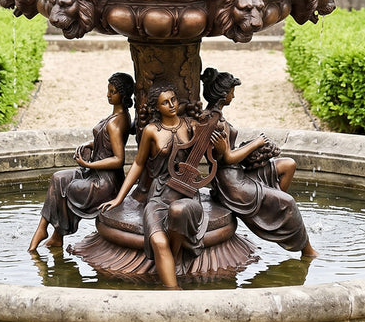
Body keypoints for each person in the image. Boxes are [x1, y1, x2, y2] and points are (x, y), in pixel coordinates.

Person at [101, 82, 207, 289]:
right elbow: (138, 164)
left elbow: (211, 155)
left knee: (179, 210)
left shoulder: (190, 125)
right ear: (157, 108)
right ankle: (173, 292)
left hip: (187, 194)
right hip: (159, 196)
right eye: (165, 103)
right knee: (158, 241)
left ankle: (174, 258)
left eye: (173, 100)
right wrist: (119, 198)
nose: (171, 105)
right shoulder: (151, 131)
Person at [202, 67, 318, 257]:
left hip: (237, 172)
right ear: (223, 95)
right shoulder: (216, 123)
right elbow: (227, 158)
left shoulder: (214, 116)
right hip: (232, 183)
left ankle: (272, 210)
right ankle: (307, 250)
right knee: (288, 202)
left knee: (288, 165)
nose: (234, 96)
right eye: (232, 92)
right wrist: (256, 143)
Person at [29, 72, 134, 252]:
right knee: (58, 178)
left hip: (105, 182)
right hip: (94, 173)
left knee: (69, 187)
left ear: (123, 95)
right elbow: (106, 141)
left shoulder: (117, 122)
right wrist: (90, 144)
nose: (108, 95)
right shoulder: (115, 116)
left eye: (113, 91)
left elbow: (118, 160)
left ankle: (56, 234)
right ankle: (46, 231)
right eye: (108, 90)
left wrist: (88, 165)